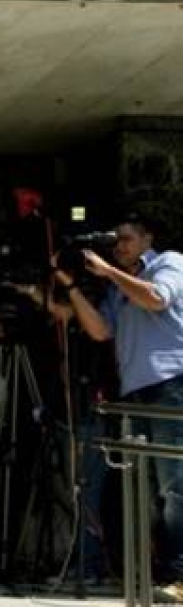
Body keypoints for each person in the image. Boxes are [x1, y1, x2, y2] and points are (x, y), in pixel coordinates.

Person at [55, 212, 183, 597]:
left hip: (171, 384)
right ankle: (156, 574)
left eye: (125, 239)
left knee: (174, 484)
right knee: (144, 488)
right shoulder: (118, 285)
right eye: (114, 241)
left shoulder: (169, 262)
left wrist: (109, 272)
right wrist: (70, 285)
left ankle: (179, 574)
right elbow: (100, 330)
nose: (118, 247)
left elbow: (157, 299)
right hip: (134, 392)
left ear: (147, 238)